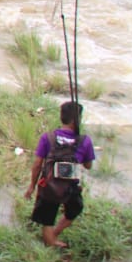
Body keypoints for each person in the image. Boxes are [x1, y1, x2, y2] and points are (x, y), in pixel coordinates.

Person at [26, 101, 95, 248]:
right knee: (75, 209)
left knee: (47, 218)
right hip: (70, 187)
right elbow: (88, 166)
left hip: (48, 186)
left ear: (61, 117)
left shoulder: (48, 137)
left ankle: (50, 237)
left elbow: (37, 164)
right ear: (77, 119)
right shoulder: (84, 140)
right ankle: (52, 239)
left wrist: (32, 186)